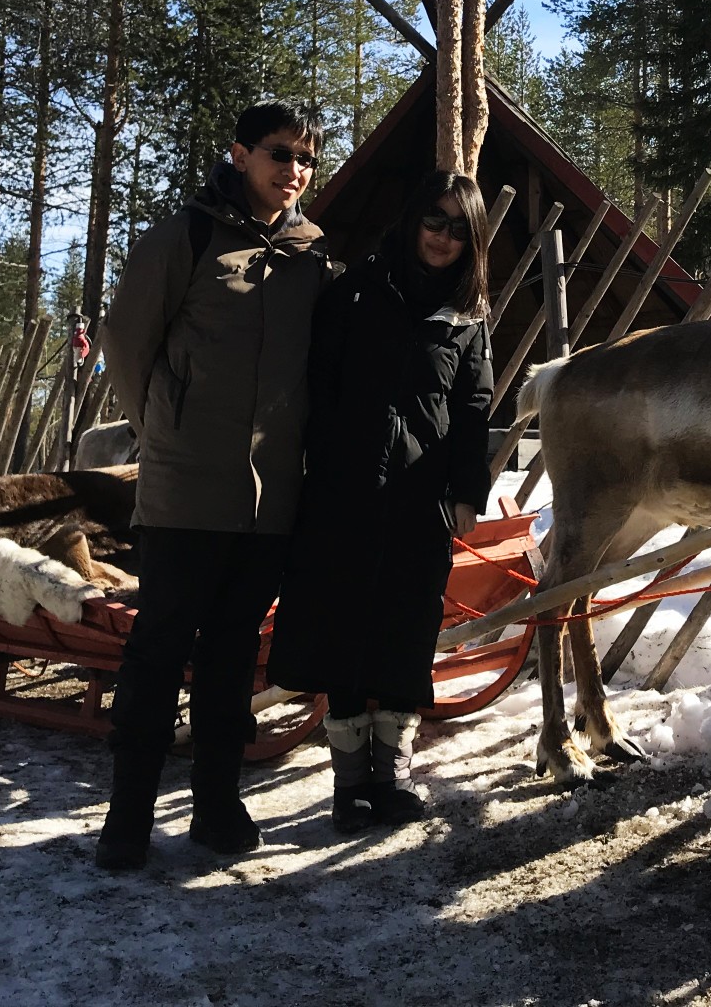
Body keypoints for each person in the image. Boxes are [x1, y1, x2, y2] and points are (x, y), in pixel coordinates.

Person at [93, 101, 332, 871]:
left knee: (233, 661)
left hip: (268, 505)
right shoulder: (185, 237)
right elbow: (127, 344)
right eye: (278, 153)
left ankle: (216, 806)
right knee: (158, 655)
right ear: (238, 154)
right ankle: (127, 818)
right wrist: (165, 428)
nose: (292, 170)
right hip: (185, 493)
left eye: (305, 158)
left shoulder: (310, 258)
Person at [267, 170, 494, 833]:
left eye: (459, 228)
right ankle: (348, 784)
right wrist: (318, 466)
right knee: (343, 628)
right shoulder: (356, 292)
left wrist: (467, 491)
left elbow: (473, 410)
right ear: (412, 219)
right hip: (343, 491)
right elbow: (314, 387)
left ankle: (391, 774)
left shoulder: (466, 317)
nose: (443, 238)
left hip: (420, 501)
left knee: (404, 630)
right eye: (434, 221)